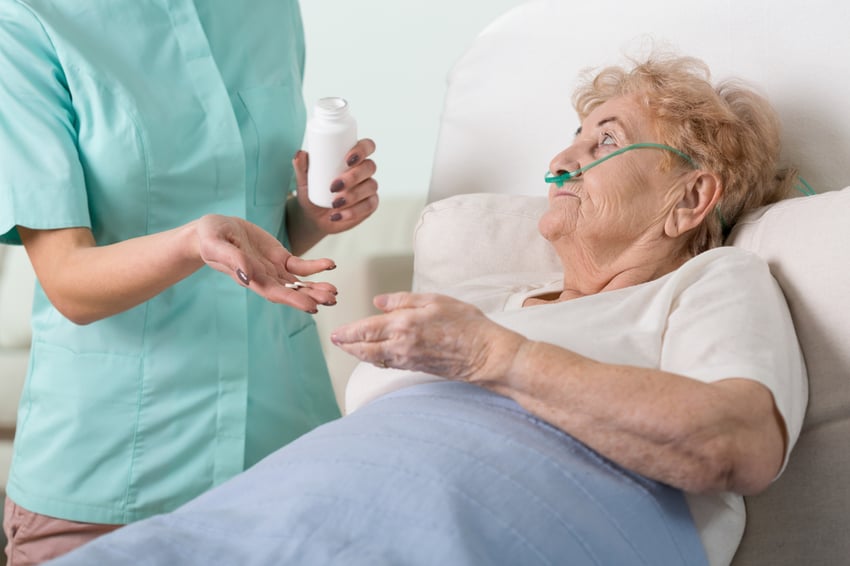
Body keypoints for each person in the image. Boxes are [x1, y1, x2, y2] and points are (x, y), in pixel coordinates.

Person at [48, 53, 804, 566]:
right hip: (272, 522)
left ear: (691, 197)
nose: (562, 160)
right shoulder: (478, 304)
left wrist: (497, 358)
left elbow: (735, 444)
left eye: (604, 141)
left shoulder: (708, 284)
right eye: (571, 136)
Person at [0, 1, 378, 564]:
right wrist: (190, 242)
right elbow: (69, 283)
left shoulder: (269, 12)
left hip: (283, 450)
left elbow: (262, 232)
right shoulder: (30, 22)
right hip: (110, 475)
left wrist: (314, 216)